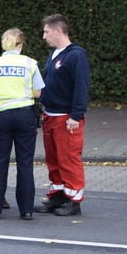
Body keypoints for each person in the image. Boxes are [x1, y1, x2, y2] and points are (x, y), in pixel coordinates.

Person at [0, 28, 43, 220]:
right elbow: (38, 93)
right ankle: (26, 210)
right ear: (21, 44)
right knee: (25, 163)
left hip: (0, 118)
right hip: (25, 117)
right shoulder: (30, 63)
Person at [35, 13, 90, 217]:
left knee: (68, 159)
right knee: (54, 160)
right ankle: (58, 195)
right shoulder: (55, 54)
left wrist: (76, 116)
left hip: (66, 117)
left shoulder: (76, 55)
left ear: (58, 30)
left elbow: (81, 87)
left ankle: (73, 201)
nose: (44, 36)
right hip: (50, 115)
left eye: (46, 31)